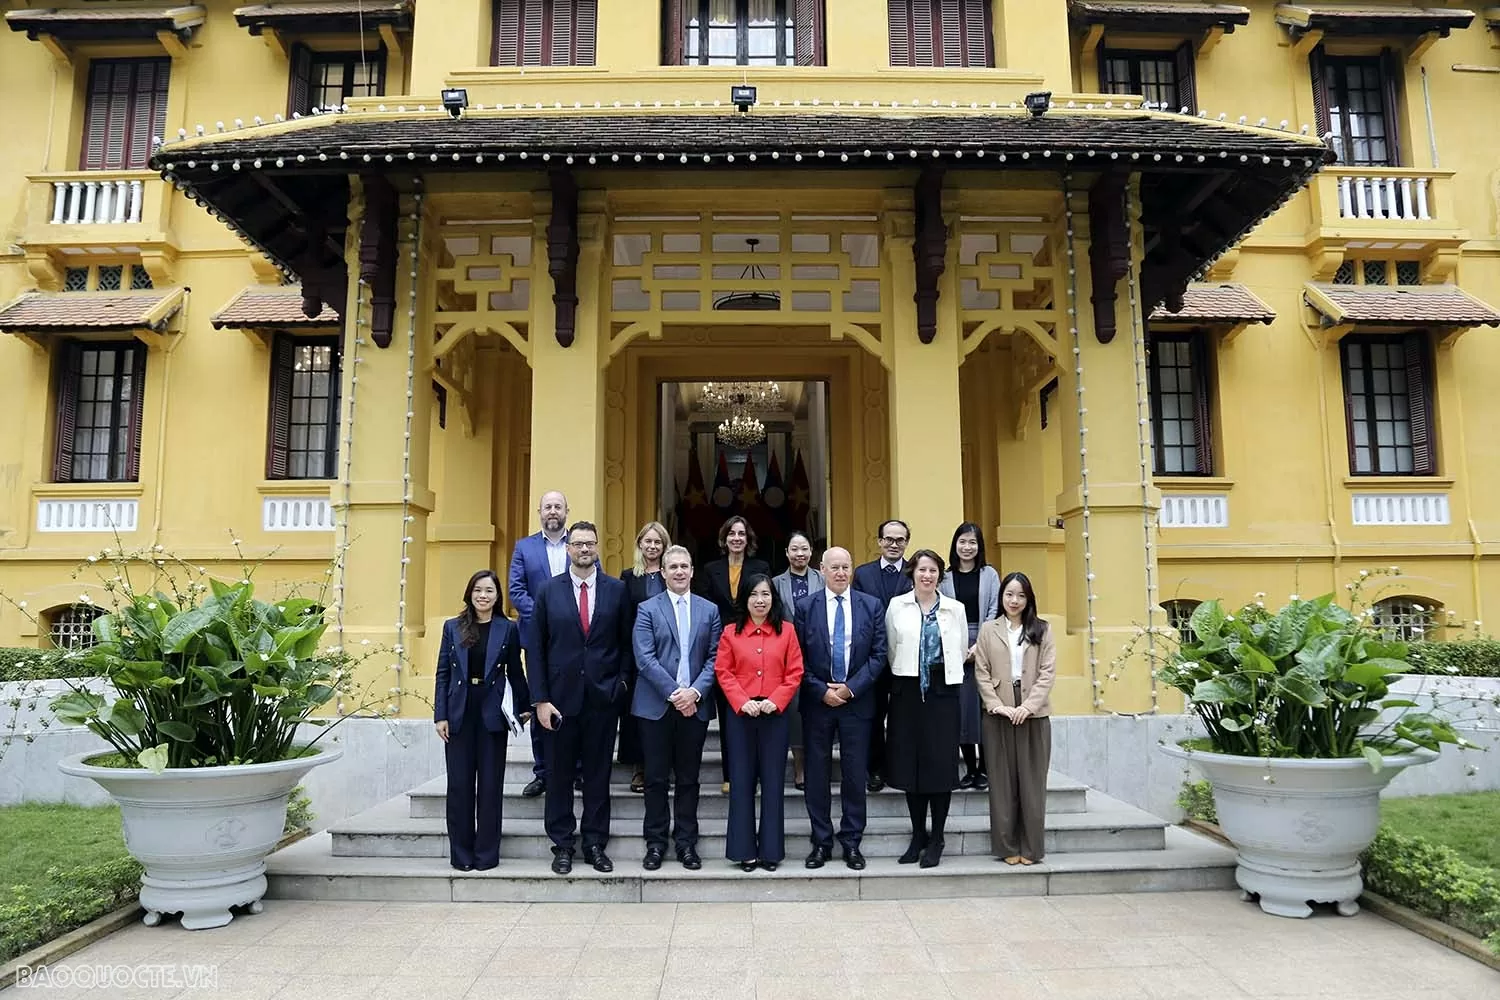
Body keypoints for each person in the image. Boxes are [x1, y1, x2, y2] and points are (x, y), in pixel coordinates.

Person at [528, 521, 635, 875]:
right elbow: (537, 649)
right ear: (568, 549)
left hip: (602, 701)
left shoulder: (617, 591)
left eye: (589, 543)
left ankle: (594, 844)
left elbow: (625, 646)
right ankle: (562, 844)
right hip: (558, 704)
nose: (584, 549)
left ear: (597, 547)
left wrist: (620, 685)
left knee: (597, 776)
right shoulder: (547, 591)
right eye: (577, 544)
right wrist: (540, 699)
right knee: (558, 777)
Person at [793, 546, 885, 870]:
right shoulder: (805, 607)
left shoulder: (871, 606)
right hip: (818, 703)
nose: (841, 573)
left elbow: (878, 655)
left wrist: (849, 689)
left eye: (846, 566)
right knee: (816, 775)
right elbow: (797, 657)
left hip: (856, 703)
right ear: (822, 570)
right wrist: (821, 691)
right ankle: (821, 842)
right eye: (835, 567)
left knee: (854, 774)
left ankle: (852, 842)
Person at [631, 545, 720, 871]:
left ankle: (686, 843)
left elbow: (715, 657)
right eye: (673, 567)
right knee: (654, 779)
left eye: (685, 566)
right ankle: (655, 843)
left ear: (692, 571)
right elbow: (644, 658)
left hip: (694, 707)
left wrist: (694, 692)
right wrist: (674, 693)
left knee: (688, 779)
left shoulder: (709, 610)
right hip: (656, 706)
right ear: (663, 572)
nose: (679, 571)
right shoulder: (647, 609)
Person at [433, 570, 530, 871]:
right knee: (460, 787)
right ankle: (461, 856)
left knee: (490, 787)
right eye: (478, 590)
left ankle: (486, 855)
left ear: (498, 596)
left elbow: (515, 670)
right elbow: (442, 674)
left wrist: (525, 706)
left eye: (489, 590)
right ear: (469, 593)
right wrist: (441, 715)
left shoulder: (508, 629)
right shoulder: (453, 627)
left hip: (492, 714)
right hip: (459, 712)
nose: (483, 596)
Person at [884, 549, 968, 869]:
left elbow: (959, 650)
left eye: (933, 570)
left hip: (942, 690)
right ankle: (918, 834)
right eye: (921, 570)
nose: (927, 575)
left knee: (939, 766)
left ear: (939, 575)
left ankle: (937, 837)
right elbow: (892, 647)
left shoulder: (954, 609)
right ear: (912, 573)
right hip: (906, 690)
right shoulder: (897, 606)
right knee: (910, 764)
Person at [714, 574, 804, 872]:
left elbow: (795, 672)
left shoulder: (787, 631)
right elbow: (723, 672)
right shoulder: (730, 632)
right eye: (754, 595)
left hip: (774, 716)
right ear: (745, 599)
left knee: (773, 783)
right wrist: (742, 701)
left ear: (773, 598)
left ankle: (771, 851)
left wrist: (776, 700)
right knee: (741, 784)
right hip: (741, 717)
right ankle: (743, 851)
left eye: (765, 594)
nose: (760, 600)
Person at [974, 571, 1056, 866]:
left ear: (1029, 599)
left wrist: (1028, 707)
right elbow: (981, 672)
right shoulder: (988, 629)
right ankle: (1007, 847)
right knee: (1002, 783)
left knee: (1032, 785)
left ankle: (1031, 848)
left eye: (1021, 595)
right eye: (1009, 594)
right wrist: (997, 705)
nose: (1014, 600)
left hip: (1033, 715)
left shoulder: (1042, 629)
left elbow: (1047, 674)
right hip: (998, 714)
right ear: (1002, 597)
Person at [695, 515, 770, 791]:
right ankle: (730, 775)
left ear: (748, 539)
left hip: (755, 646)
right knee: (729, 715)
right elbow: (705, 606)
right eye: (732, 534)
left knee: (758, 714)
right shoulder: (711, 568)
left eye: (741, 534)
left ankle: (759, 774)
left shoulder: (760, 566)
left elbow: (766, 601)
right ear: (724, 539)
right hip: (723, 647)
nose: (736, 538)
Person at [507, 490, 571, 798]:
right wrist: (549, 615)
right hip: (536, 637)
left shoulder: (579, 544)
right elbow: (516, 591)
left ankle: (577, 771)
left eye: (558, 506)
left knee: (574, 703)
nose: (553, 511)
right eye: (548, 507)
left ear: (566, 512)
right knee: (540, 702)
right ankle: (543, 772)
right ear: (539, 512)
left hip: (575, 640)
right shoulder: (524, 548)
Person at [851, 518, 914, 793]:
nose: (894, 544)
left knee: (903, 716)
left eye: (900, 540)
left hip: (907, 658)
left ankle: (899, 767)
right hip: (873, 659)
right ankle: (874, 768)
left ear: (907, 543)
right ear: (879, 542)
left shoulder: (916, 572)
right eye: (889, 539)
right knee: (873, 716)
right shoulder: (863, 575)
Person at [938, 522, 1000, 791]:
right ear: (955, 544)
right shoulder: (945, 577)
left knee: (984, 706)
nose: (967, 547)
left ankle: (985, 769)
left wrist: (979, 646)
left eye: (972, 542)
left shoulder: (990, 574)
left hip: (987, 643)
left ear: (979, 546)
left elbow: (994, 609)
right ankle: (970, 768)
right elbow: (942, 613)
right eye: (962, 541)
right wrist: (960, 647)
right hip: (955, 646)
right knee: (962, 709)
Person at [620, 521, 671, 793]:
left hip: (668, 654)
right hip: (636, 654)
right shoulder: (629, 576)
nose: (652, 546)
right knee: (638, 713)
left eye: (657, 542)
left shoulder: (672, 574)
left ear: (665, 546)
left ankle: (665, 766)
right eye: (648, 541)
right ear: (640, 544)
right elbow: (622, 616)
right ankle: (639, 768)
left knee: (667, 712)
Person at [772, 531, 824, 790]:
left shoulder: (822, 580)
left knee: (817, 709)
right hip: (786, 656)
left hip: (818, 653)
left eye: (804, 549)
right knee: (793, 711)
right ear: (787, 553)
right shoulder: (775, 583)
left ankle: (818, 763)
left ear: (811, 551)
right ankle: (799, 765)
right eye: (794, 549)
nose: (800, 554)